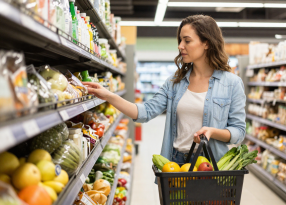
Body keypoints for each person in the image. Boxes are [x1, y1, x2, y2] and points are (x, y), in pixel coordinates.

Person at [83, 14, 246, 164]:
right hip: (178, 162)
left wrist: (213, 132)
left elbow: (238, 132)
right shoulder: (175, 82)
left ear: (206, 43)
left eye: (187, 41)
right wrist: (108, 95)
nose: (181, 46)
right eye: (180, 41)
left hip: (213, 163)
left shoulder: (232, 83)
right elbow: (145, 112)